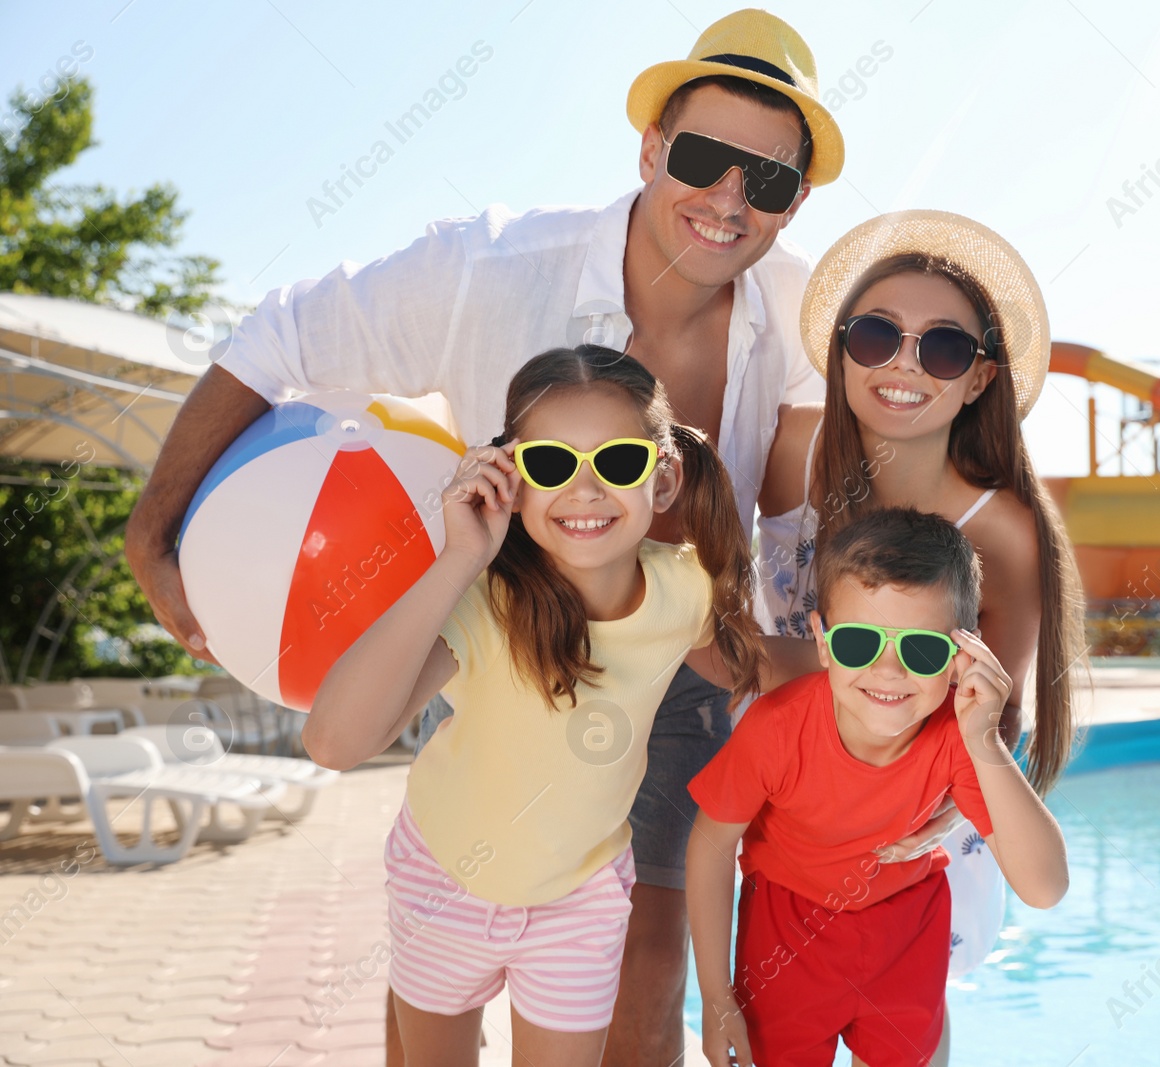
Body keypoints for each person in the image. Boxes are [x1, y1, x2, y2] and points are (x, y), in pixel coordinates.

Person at [125, 10, 843, 1063]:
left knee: (643, 991)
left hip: (672, 652)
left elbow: (785, 536)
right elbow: (275, 334)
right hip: (508, 629)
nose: (730, 198)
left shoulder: (799, 314)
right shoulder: (488, 266)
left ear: (797, 198)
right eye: (703, 157)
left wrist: (860, 681)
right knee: (442, 957)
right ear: (650, 149)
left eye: (768, 181)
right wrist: (154, 532)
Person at [303, 347, 764, 1064]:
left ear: (663, 477)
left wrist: (879, 657)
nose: (584, 489)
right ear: (511, 477)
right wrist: (461, 555)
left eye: (616, 463)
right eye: (551, 465)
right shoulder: (484, 603)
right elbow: (333, 743)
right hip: (444, 879)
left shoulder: (686, 593)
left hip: (578, 898)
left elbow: (759, 668)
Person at [753, 210, 1088, 1057]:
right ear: (840, 350)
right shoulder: (791, 449)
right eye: (876, 335)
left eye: (941, 348)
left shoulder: (1003, 527)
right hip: (788, 812)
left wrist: (756, 660)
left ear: (977, 380)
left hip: (918, 821)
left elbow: (992, 702)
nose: (903, 364)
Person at [686, 508, 1070, 1067]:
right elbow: (712, 846)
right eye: (860, 644)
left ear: (961, 656)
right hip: (786, 935)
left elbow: (1045, 888)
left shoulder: (960, 739)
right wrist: (716, 995)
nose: (888, 671)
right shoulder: (775, 728)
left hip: (905, 932)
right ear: (822, 642)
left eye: (920, 650)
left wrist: (985, 738)